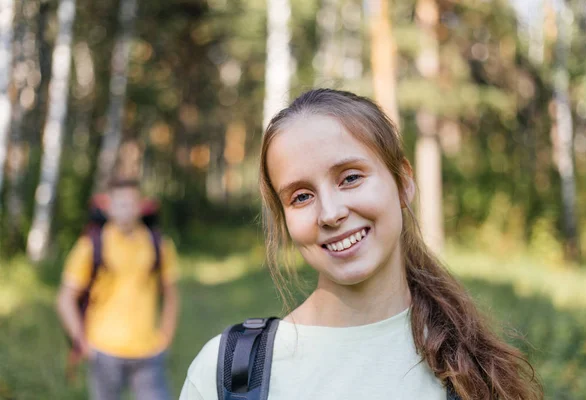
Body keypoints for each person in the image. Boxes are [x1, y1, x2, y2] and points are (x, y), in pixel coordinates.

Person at [179, 89, 542, 399]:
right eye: (301, 197)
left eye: (350, 178)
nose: (331, 213)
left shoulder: (476, 371)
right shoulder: (227, 373)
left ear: (403, 182)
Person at [57, 178, 179, 400]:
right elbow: (65, 298)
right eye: (120, 203)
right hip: (104, 351)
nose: (125, 210)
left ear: (140, 206)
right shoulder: (91, 246)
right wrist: (82, 343)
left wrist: (166, 336)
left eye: (131, 203)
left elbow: (172, 295)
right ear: (108, 206)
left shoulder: (159, 244)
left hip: (148, 352)